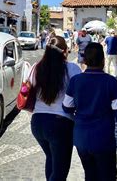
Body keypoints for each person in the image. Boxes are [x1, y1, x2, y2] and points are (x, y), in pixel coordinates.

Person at [63, 43, 117, 181]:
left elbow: (66, 107)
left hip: (81, 139)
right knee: (108, 176)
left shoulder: (75, 81)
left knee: (90, 174)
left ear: (85, 61)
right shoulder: (111, 82)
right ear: (103, 60)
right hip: (103, 139)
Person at [30, 36, 82, 181]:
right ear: (65, 52)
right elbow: (81, 94)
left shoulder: (36, 68)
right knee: (60, 171)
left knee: (51, 159)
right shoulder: (72, 69)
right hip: (60, 123)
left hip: (37, 122)